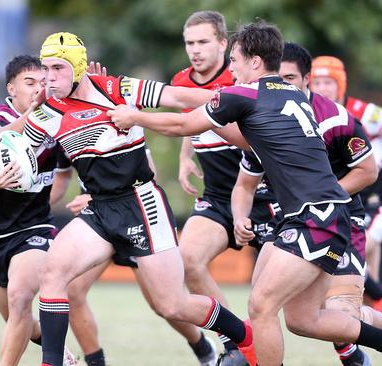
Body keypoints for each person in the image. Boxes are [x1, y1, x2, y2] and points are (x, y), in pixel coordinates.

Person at [108, 21, 382, 366]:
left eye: (235, 60)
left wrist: (134, 115)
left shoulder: (246, 95)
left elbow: (183, 122)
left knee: (261, 306)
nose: (231, 69)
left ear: (255, 62)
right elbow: (244, 142)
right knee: (303, 319)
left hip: (315, 217)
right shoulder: (292, 96)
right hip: (321, 216)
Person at [22, 32, 254, 366]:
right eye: (46, 69)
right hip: (99, 208)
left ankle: (245, 337)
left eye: (58, 68)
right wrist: (20, 128)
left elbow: (175, 95)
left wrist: (231, 97)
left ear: (78, 68)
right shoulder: (45, 113)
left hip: (140, 203)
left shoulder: (118, 89)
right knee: (53, 275)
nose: (50, 77)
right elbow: (18, 149)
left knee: (171, 305)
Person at [230, 42, 382, 366]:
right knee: (298, 318)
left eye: (289, 78)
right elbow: (245, 180)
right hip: (294, 220)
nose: (280, 85)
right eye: (277, 77)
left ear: (306, 80)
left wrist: (320, 199)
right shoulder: (264, 115)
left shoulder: (337, 116)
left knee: (338, 314)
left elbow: (370, 168)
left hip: (342, 218)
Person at [172, 11, 278, 365]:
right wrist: (186, 156)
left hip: (265, 193)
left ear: (223, 44)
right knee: (188, 260)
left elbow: (219, 120)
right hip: (218, 196)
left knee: (306, 305)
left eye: (203, 42)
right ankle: (236, 342)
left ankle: (367, 340)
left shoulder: (241, 77)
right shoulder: (181, 80)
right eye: (190, 43)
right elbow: (188, 121)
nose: (195, 50)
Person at [0, 55, 75, 366]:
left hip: (34, 230)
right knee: (22, 322)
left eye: (43, 83)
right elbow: (0, 140)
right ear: (11, 88)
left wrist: (48, 201)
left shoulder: (57, 123)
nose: (38, 89)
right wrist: (34, 115)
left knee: (20, 300)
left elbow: (68, 170)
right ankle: (62, 354)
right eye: (30, 83)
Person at [310, 56, 382, 312]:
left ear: (341, 85)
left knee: (346, 261)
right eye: (316, 81)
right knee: (364, 288)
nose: (322, 87)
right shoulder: (308, 115)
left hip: (377, 205)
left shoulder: (364, 112)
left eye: (329, 81)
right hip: (346, 204)